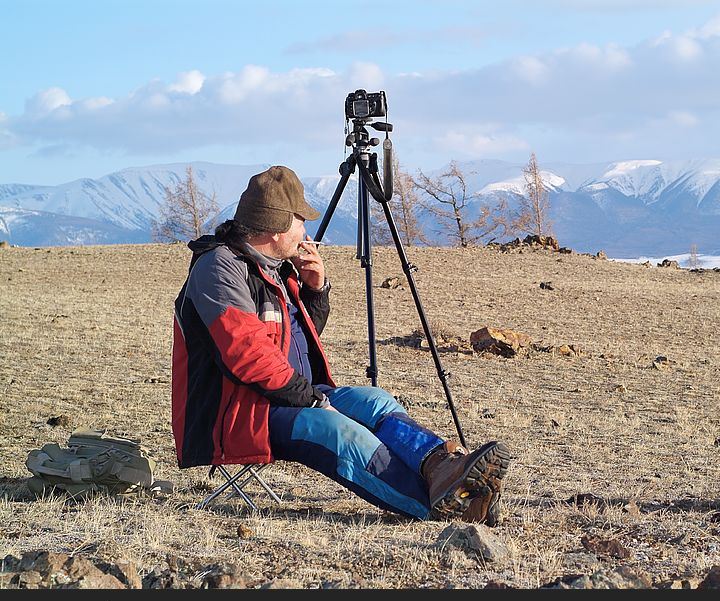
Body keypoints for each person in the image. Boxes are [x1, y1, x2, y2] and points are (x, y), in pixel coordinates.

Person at [171, 165, 510, 524]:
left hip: (288, 396)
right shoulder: (220, 269)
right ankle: (439, 507)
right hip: (238, 414)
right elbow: (248, 356)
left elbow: (297, 339)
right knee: (339, 432)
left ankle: (447, 473)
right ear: (277, 226)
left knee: (375, 402)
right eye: (300, 220)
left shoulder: (273, 266)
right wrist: (316, 402)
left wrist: (315, 288)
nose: (306, 231)